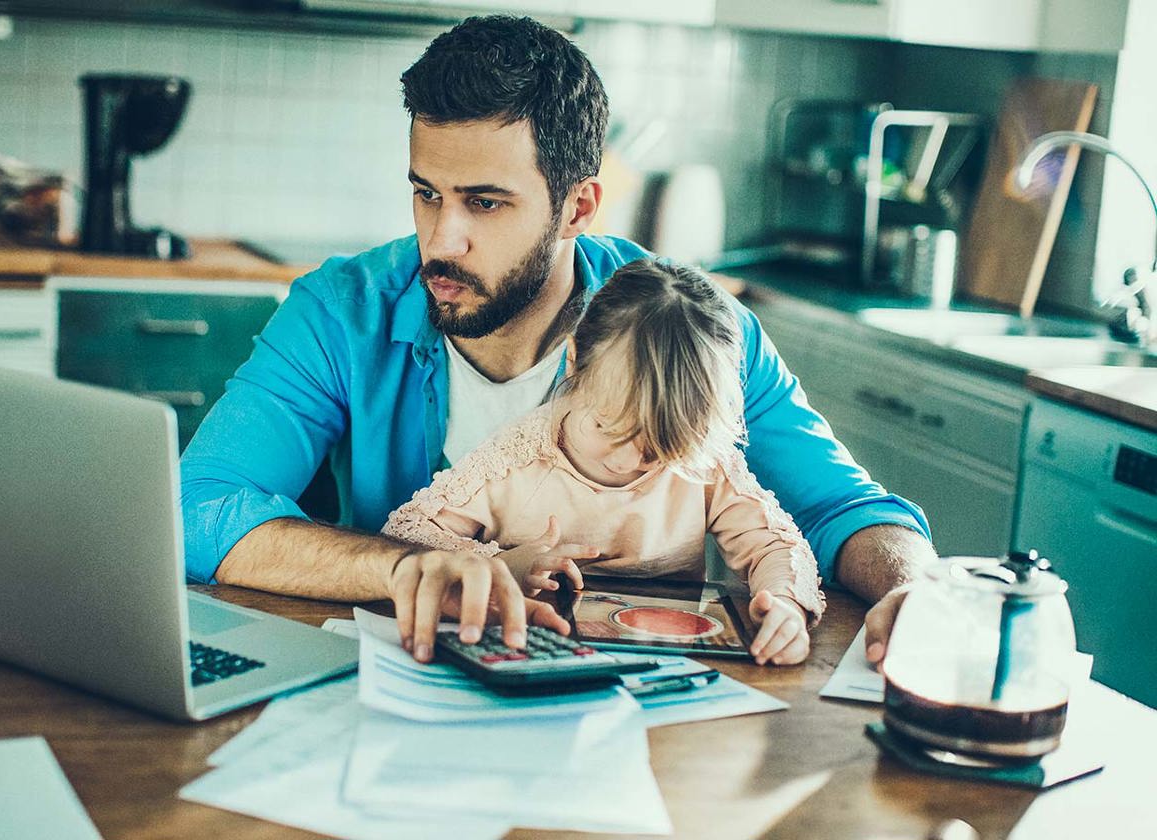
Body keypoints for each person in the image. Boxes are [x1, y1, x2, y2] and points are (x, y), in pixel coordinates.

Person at [180, 15, 936, 665]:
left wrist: (918, 591)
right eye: (426, 194)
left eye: (485, 202)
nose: (441, 241)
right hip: (409, 680)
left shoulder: (690, 330)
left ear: (579, 207)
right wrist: (420, 567)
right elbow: (198, 509)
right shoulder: (342, 311)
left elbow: (843, 507)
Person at [382, 259, 825, 665]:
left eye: (659, 445)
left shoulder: (703, 464)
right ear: (574, 361)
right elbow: (407, 534)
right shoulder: (517, 458)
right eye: (610, 429)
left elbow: (775, 544)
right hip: (531, 656)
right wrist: (504, 564)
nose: (630, 461)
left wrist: (783, 603)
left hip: (665, 663)